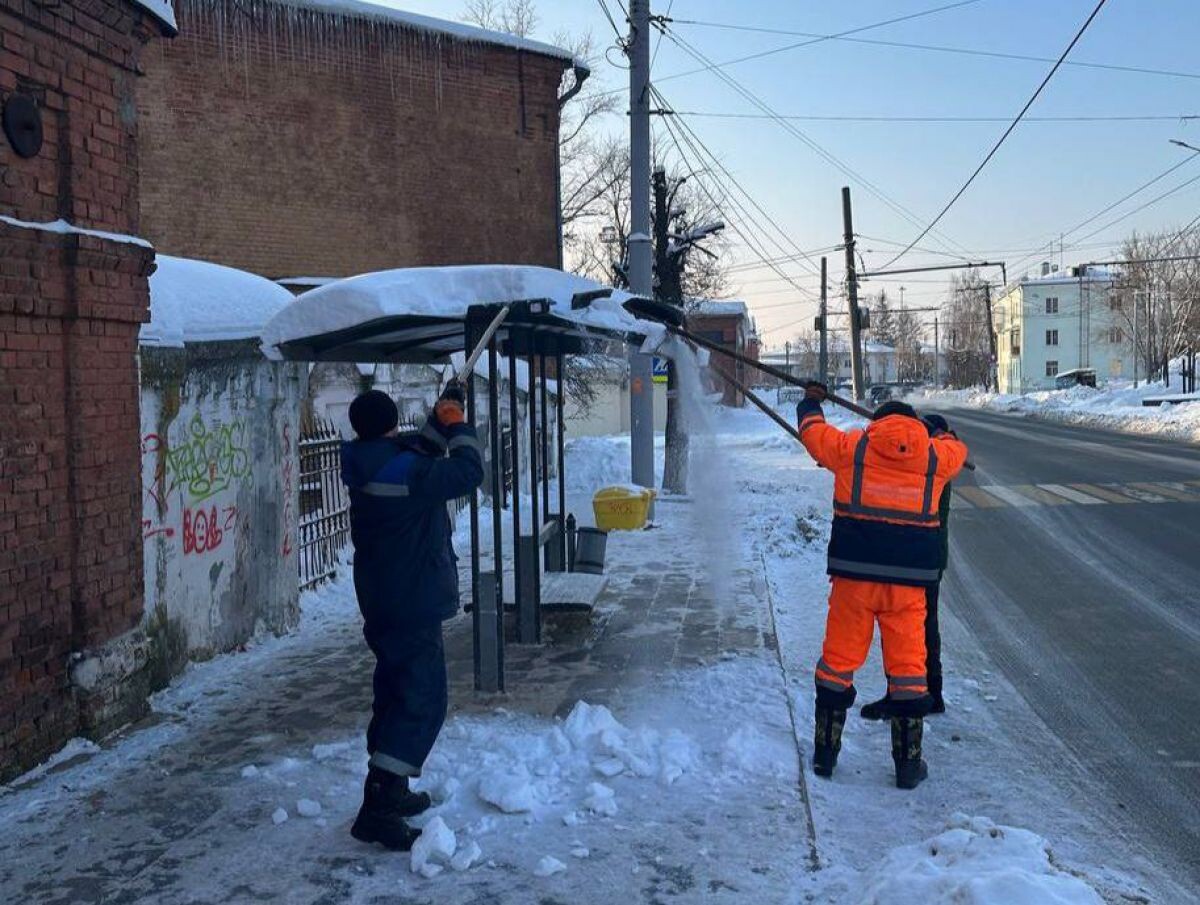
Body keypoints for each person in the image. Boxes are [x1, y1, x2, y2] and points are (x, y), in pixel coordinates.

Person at [796, 388, 967, 789]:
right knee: (909, 670)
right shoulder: (934, 456)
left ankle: (825, 754)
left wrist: (810, 403)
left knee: (837, 662)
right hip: (907, 587)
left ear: (878, 422)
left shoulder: (853, 447)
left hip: (854, 578)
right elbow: (956, 448)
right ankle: (908, 766)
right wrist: (939, 431)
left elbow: (813, 435)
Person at [340, 384, 483, 850]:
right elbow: (467, 472)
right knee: (421, 699)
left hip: (384, 598)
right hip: (411, 599)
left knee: (395, 691)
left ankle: (391, 788)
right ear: (390, 423)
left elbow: (416, 455)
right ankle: (378, 807)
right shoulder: (406, 473)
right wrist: (458, 423)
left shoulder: (369, 461)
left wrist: (438, 420)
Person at [860, 412, 953, 719]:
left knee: (908, 629)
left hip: (917, 557)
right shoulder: (937, 459)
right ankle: (927, 693)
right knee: (922, 627)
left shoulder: (930, 463)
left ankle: (911, 694)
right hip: (926, 558)